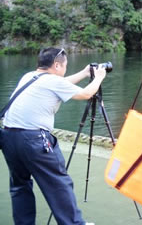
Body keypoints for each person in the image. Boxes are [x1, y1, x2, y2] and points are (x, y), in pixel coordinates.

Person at [1, 47, 106, 225]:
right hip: (33, 140)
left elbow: (61, 83)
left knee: (20, 186)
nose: (65, 69)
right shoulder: (52, 81)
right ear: (57, 65)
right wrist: (99, 77)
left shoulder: (29, 76)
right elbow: (87, 93)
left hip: (9, 137)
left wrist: (83, 73)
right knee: (58, 184)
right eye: (65, 66)